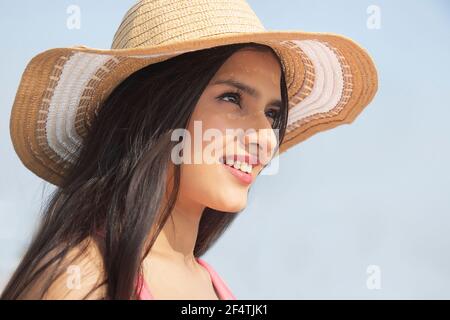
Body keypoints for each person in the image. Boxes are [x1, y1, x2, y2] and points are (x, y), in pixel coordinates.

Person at [2, 0, 378, 299]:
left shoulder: (211, 285)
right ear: (155, 110)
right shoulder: (81, 282)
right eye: (232, 98)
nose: (265, 137)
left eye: (272, 113)